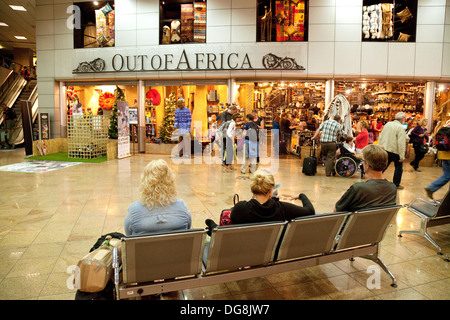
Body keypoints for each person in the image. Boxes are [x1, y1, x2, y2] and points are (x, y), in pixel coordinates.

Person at [205, 169, 315, 232]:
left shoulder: (241, 208)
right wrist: (301, 195)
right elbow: (310, 211)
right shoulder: (282, 209)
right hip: (271, 254)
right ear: (271, 190)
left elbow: (232, 220)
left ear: (253, 188)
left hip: (243, 252)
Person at [124, 159, 191, 236]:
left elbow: (128, 236)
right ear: (170, 180)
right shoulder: (182, 207)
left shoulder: (134, 211)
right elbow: (188, 229)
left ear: (145, 181)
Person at [334, 144, 397, 212]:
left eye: (363, 161)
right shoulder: (392, 188)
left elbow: (336, 211)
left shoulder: (358, 189)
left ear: (367, 165)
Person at [378, 112, 408, 189]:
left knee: (383, 166)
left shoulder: (387, 124)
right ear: (403, 119)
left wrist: (380, 147)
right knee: (398, 168)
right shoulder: (401, 128)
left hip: (385, 149)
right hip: (395, 151)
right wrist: (402, 156)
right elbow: (401, 143)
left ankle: (375, 179)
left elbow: (381, 136)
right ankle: (396, 184)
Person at [425, 124, 450, 199]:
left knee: (447, 175)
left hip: (443, 155)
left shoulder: (445, 128)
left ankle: (431, 188)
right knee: (447, 175)